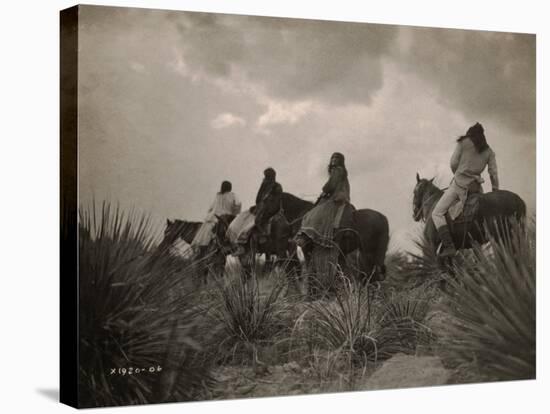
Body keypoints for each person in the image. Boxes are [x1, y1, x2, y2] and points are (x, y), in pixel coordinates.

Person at [432, 122, 499, 258]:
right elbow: (493, 173)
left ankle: (449, 246)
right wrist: (495, 190)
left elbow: (453, 163)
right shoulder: (489, 151)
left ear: (470, 133)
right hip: (475, 188)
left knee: (437, 213)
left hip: (458, 186)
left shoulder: (463, 142)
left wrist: (459, 173)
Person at [295, 152, 351, 249]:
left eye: (336, 158)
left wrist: (324, 190)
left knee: (317, 212)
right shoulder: (340, 171)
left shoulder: (337, 170)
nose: (333, 159)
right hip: (337, 195)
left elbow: (331, 185)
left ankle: (313, 236)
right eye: (332, 158)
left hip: (337, 196)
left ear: (340, 161)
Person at [230, 168, 283, 255]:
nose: (265, 178)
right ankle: (244, 242)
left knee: (253, 221)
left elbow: (273, 201)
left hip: (271, 209)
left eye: (266, 176)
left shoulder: (275, 186)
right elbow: (258, 199)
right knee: (247, 217)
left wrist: (264, 206)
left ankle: (255, 238)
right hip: (264, 208)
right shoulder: (271, 185)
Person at [190, 180, 241, 253]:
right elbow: (238, 206)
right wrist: (233, 214)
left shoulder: (218, 195)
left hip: (213, 217)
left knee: (206, 230)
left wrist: (210, 213)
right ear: (230, 187)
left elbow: (211, 208)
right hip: (226, 217)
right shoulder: (233, 195)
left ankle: (204, 245)